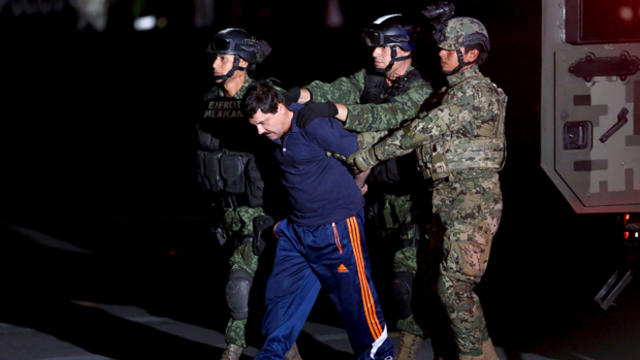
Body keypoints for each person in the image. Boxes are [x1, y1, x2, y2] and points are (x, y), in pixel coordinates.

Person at [348, 17, 507, 360]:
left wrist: (370, 157)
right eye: (442, 47)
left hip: (472, 200)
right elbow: (405, 126)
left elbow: (421, 129)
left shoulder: (476, 94)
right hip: (445, 198)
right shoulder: (446, 93)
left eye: (450, 48)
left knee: (455, 288)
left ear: (472, 53)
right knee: (436, 286)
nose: (442, 53)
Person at [286, 13, 433, 359]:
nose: (375, 54)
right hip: (373, 199)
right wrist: (302, 94)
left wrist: (335, 111)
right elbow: (337, 88)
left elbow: (385, 116)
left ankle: (409, 347)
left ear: (403, 50)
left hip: (410, 201)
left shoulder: (420, 91)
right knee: (366, 281)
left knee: (404, 284)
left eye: (383, 48)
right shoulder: (372, 80)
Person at [242, 80, 395, 360]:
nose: (259, 131)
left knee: (356, 301)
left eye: (263, 123)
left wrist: (356, 185)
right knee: (280, 302)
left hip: (335, 227)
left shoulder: (311, 123)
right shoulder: (274, 133)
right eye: (254, 125)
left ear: (279, 108)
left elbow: (361, 150)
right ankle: (271, 356)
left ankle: (378, 355)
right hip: (297, 230)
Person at [195, 28, 301, 360]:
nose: (215, 64)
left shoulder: (266, 99)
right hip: (223, 213)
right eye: (215, 57)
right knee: (250, 291)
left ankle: (234, 349)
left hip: (260, 213)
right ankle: (286, 349)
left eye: (223, 58)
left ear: (242, 62)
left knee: (242, 285)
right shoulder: (209, 101)